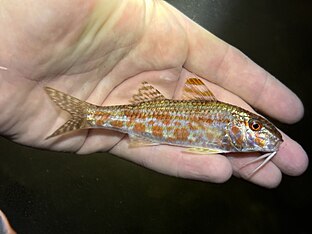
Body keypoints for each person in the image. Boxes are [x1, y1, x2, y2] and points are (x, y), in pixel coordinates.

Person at [0, 0, 308, 188]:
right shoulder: (225, 125)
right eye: (255, 125)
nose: (260, 132)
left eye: (256, 126)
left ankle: (88, 115)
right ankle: (88, 115)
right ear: (239, 127)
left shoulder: (229, 134)